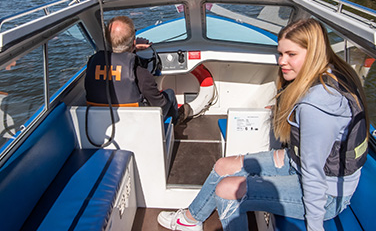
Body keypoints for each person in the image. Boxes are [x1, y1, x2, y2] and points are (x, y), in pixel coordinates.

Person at [157, 18, 369, 231]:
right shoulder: (331, 72)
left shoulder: (319, 103)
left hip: (327, 195)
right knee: (223, 166)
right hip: (297, 163)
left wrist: (315, 227)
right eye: (281, 53)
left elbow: (314, 174)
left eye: (291, 55)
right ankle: (191, 219)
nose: (281, 61)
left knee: (227, 190)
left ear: (314, 52)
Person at [85, 15, 184, 122]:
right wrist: (132, 49)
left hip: (102, 123)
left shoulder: (92, 64)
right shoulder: (140, 73)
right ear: (133, 42)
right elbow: (159, 104)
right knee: (169, 94)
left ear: (108, 41)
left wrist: (133, 49)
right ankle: (176, 122)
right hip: (138, 123)